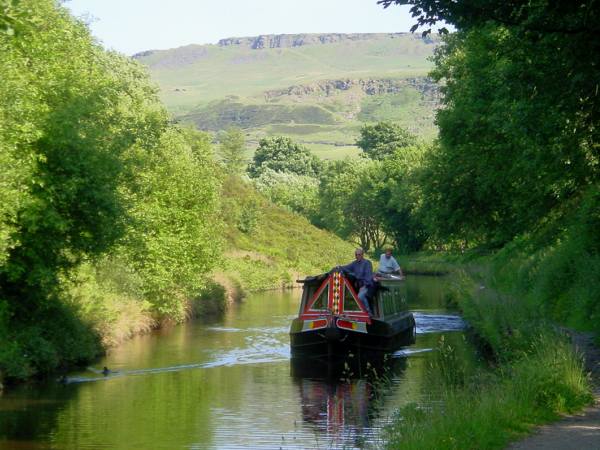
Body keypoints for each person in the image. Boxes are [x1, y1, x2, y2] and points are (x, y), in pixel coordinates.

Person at [340, 248, 374, 315]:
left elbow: (368, 277)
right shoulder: (354, 263)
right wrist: (339, 267)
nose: (357, 256)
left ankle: (368, 312)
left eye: (359, 254)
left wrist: (364, 285)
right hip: (358, 285)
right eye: (356, 255)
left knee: (360, 297)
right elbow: (346, 267)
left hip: (367, 285)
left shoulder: (367, 263)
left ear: (362, 255)